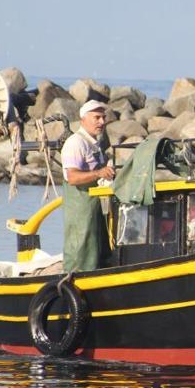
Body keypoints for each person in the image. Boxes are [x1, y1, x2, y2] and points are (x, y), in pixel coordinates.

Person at [60, 100, 115, 272]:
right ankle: (72, 280)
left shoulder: (94, 144)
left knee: (97, 249)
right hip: (80, 209)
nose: (102, 122)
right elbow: (72, 177)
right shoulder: (75, 143)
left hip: (95, 208)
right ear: (83, 119)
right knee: (80, 250)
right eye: (97, 117)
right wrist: (99, 173)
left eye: (103, 118)